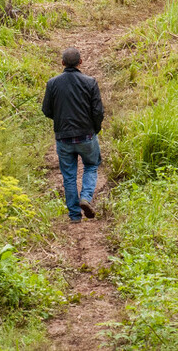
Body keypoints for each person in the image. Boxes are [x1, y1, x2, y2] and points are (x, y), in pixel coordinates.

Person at [42, 47, 104, 223]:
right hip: (86, 135)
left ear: (62, 63)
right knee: (91, 166)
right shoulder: (90, 82)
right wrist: (95, 129)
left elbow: (46, 110)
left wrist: (60, 120)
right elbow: (98, 111)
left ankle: (74, 215)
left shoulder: (52, 83)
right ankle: (85, 197)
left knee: (69, 175)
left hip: (63, 137)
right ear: (80, 62)